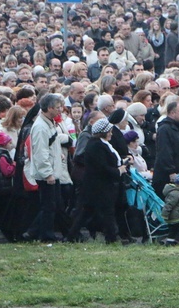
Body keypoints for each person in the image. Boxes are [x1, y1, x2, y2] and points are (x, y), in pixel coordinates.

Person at [66, 118, 127, 244]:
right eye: (109, 131)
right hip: (98, 185)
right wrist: (118, 170)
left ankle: (72, 235)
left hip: (100, 185)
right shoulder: (96, 145)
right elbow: (102, 167)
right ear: (103, 132)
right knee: (105, 212)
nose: (111, 133)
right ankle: (111, 238)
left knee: (87, 211)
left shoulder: (101, 143)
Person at [23, 93, 66, 242]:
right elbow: (40, 152)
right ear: (49, 108)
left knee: (53, 205)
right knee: (49, 206)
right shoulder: (41, 127)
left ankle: (33, 232)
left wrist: (58, 154)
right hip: (47, 174)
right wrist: (48, 174)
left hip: (52, 170)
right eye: (58, 107)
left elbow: (49, 146)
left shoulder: (48, 122)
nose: (61, 110)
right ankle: (45, 235)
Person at [152, 100, 179, 199]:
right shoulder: (165, 129)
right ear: (172, 113)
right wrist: (171, 171)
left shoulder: (176, 127)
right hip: (168, 175)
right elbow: (164, 152)